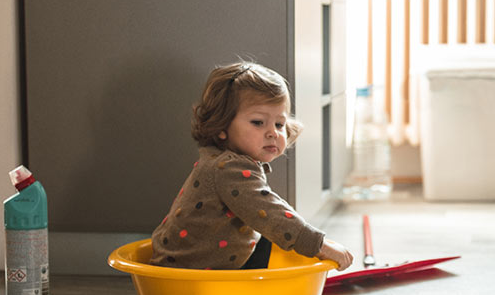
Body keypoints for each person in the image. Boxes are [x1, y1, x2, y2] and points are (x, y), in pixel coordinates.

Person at [151, 61, 353, 272]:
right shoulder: (228, 168)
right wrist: (318, 245)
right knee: (274, 221)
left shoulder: (223, 160)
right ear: (222, 127)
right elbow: (269, 211)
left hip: (194, 263)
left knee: (272, 229)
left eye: (279, 124)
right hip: (190, 275)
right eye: (258, 122)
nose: (273, 133)